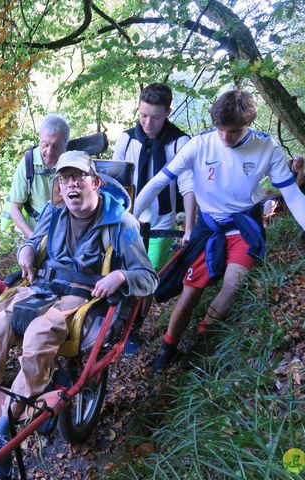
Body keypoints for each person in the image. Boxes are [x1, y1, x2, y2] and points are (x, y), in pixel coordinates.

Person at [0, 151, 158, 480]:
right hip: (41, 288)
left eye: (78, 177)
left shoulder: (122, 223)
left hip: (80, 295)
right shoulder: (54, 212)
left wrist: (120, 277)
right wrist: (26, 252)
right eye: (64, 179)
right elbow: (33, 240)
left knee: (40, 333)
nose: (71, 184)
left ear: (95, 182)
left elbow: (149, 277)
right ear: (59, 186)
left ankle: (5, 425)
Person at [133, 89, 305, 372]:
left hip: (243, 228)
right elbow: (159, 181)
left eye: (233, 131)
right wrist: (129, 219)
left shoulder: (266, 147)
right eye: (221, 129)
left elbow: (292, 195)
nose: (225, 137)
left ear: (248, 124)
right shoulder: (200, 145)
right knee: (189, 293)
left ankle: (198, 342)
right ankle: (167, 347)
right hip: (208, 229)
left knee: (233, 285)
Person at [112, 83, 197, 355]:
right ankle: (115, 322)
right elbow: (115, 181)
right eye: (143, 115)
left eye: (156, 117)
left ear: (168, 112)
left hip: (162, 220)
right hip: (128, 219)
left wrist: (190, 228)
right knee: (123, 269)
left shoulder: (180, 142)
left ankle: (135, 326)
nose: (148, 123)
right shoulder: (126, 140)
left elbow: (188, 186)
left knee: (147, 275)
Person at [3, 114, 69, 238]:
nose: (49, 152)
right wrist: (33, 237)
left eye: (56, 146)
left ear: (66, 143)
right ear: (39, 139)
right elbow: (15, 209)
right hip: (38, 231)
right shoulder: (28, 163)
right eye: (45, 145)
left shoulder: (73, 163)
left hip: (68, 232)